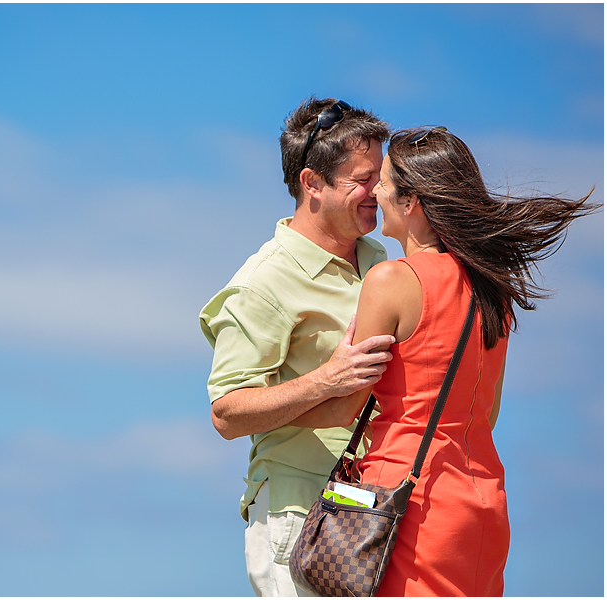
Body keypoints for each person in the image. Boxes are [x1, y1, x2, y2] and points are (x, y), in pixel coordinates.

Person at [299, 125, 597, 596]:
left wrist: (268, 412)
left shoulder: (390, 280)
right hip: (482, 503)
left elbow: (343, 408)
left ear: (411, 201)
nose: (376, 189)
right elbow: (489, 414)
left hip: (405, 503)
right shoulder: (492, 290)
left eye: (386, 181)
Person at [198, 97, 397, 597]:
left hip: (373, 507)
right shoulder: (263, 283)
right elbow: (227, 413)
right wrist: (326, 380)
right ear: (311, 183)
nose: (382, 191)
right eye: (363, 179)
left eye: (382, 175)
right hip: (299, 513)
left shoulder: (379, 258)